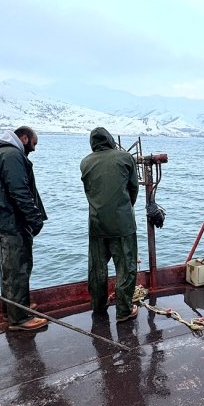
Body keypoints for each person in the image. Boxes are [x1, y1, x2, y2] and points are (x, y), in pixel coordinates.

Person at [0, 126, 48, 331]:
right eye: (34, 143)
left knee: (10, 267)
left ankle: (15, 307)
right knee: (17, 268)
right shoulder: (11, 155)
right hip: (9, 224)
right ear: (24, 138)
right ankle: (19, 318)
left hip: (1, 222)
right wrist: (35, 219)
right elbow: (20, 191)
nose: (34, 149)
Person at [80, 127, 140, 322]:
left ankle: (98, 306)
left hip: (96, 223)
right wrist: (124, 208)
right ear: (110, 140)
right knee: (126, 266)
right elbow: (133, 189)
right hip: (122, 224)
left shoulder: (85, 162)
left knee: (97, 268)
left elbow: (89, 191)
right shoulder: (125, 158)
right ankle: (124, 310)